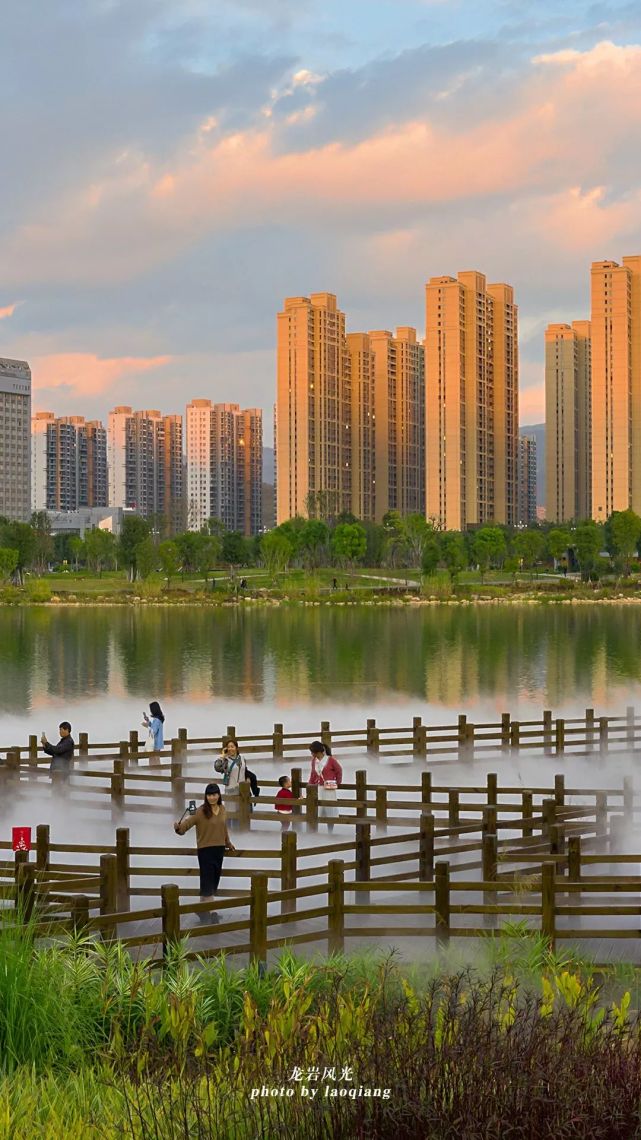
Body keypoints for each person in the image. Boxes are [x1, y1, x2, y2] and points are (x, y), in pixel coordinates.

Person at [174, 783, 236, 921]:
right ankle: (213, 912)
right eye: (209, 795)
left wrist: (228, 843)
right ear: (206, 796)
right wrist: (178, 828)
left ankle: (201, 909)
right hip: (205, 850)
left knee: (213, 881)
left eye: (214, 795)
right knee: (208, 881)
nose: (212, 797)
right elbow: (186, 825)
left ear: (219, 795)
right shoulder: (200, 811)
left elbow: (223, 828)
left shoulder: (223, 809)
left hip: (219, 849)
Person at [308, 740, 343, 832]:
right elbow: (313, 774)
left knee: (329, 808)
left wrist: (337, 782)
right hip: (317, 788)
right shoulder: (313, 761)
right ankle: (314, 830)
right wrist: (310, 786)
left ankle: (330, 830)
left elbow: (339, 770)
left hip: (328, 788)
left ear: (318, 751)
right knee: (317, 809)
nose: (312, 754)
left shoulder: (331, 760)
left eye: (313, 752)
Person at [214, 738, 248, 825]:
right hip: (231, 789)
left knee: (239, 813)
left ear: (236, 747)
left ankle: (238, 834)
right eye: (228, 747)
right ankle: (228, 833)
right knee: (230, 813)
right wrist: (222, 756)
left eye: (232, 746)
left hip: (242, 790)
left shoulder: (242, 758)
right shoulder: (225, 760)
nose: (230, 749)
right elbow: (217, 768)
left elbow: (245, 771)